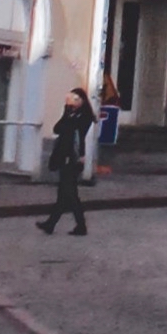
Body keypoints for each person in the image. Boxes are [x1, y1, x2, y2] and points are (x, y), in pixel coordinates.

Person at [39, 87, 96, 237]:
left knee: (69, 194)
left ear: (83, 101)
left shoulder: (85, 116)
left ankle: (79, 226)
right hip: (64, 156)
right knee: (64, 194)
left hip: (73, 157)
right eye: (72, 98)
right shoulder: (70, 114)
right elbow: (58, 129)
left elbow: (74, 131)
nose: (74, 102)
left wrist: (70, 116)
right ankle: (51, 224)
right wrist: (66, 113)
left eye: (77, 99)